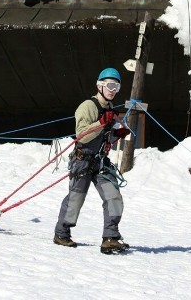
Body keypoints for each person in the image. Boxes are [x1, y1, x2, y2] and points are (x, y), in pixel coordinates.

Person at [54, 67, 131, 254]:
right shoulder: (87, 106)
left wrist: (115, 135)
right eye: (110, 85)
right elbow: (82, 135)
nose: (113, 90)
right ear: (100, 86)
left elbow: (103, 137)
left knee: (113, 196)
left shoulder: (110, 109)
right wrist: (102, 123)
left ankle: (110, 237)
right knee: (76, 198)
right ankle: (61, 233)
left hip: (101, 162)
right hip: (83, 160)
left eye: (117, 86)